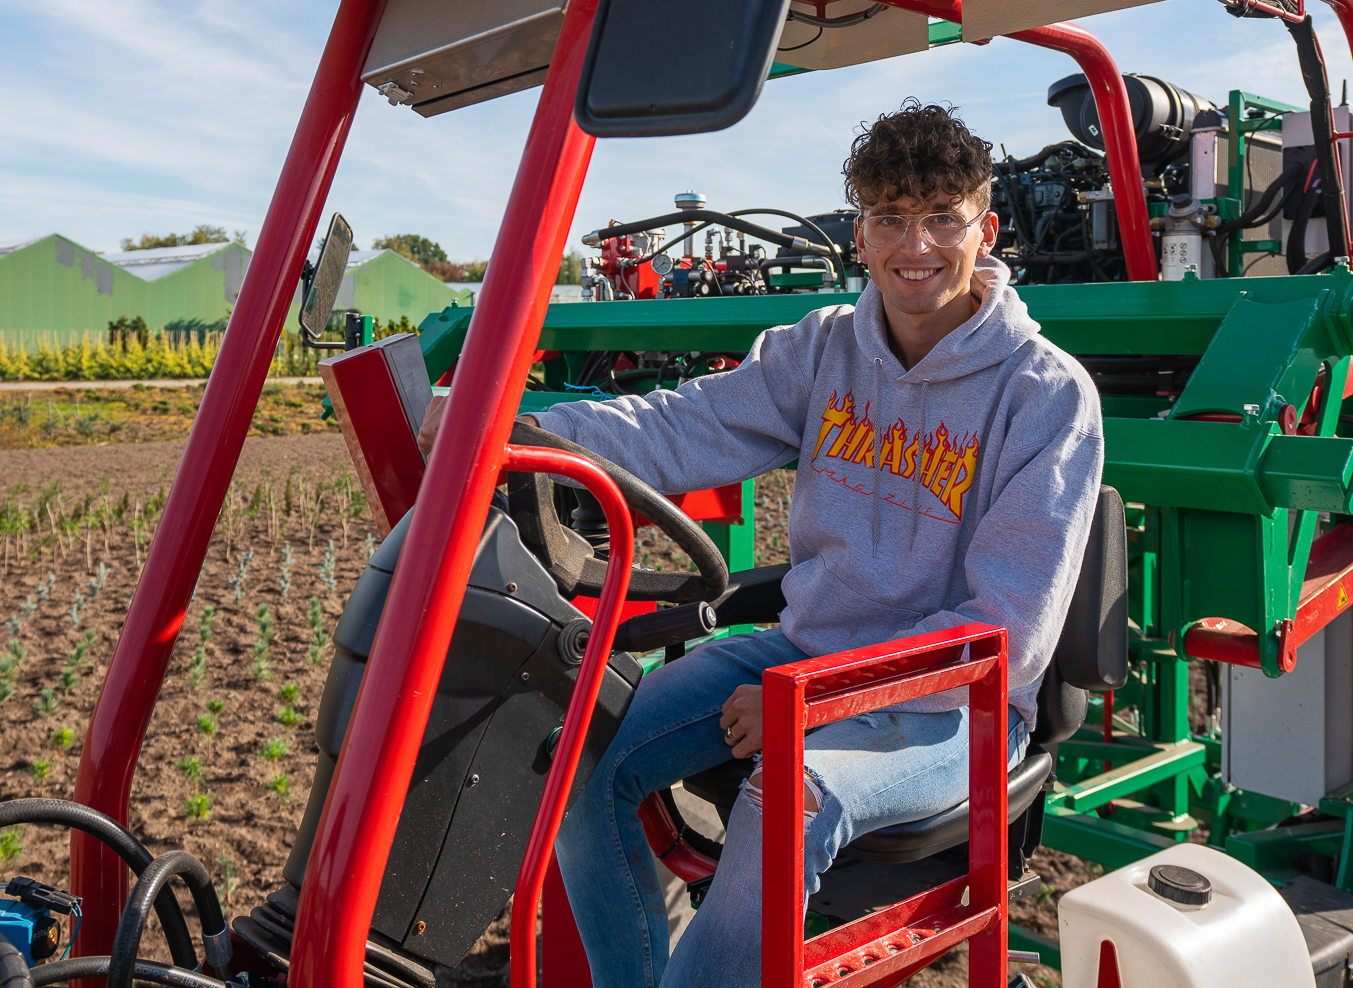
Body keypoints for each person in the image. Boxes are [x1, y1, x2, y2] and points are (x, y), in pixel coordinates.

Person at [416, 101, 1103, 988]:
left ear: (987, 226)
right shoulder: (824, 351)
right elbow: (680, 426)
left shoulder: (1044, 396)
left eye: (942, 218)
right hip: (803, 658)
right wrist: (521, 429)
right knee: (581, 755)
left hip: (953, 706)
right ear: (861, 232)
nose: (915, 246)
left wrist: (806, 703)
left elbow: (1003, 633)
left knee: (785, 801)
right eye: (890, 218)